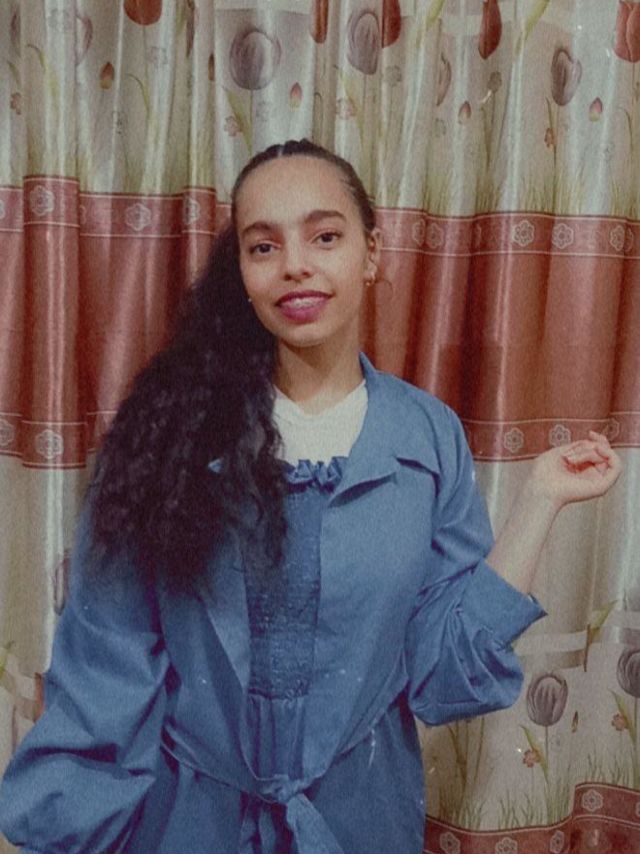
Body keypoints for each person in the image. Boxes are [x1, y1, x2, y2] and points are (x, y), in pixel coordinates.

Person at [0, 140, 621, 853]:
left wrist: (539, 499)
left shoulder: (427, 438)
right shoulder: (164, 435)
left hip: (360, 823)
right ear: (242, 271)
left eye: (324, 237)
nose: (295, 264)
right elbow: (105, 670)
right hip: (189, 825)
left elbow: (443, 675)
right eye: (264, 246)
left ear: (371, 253)